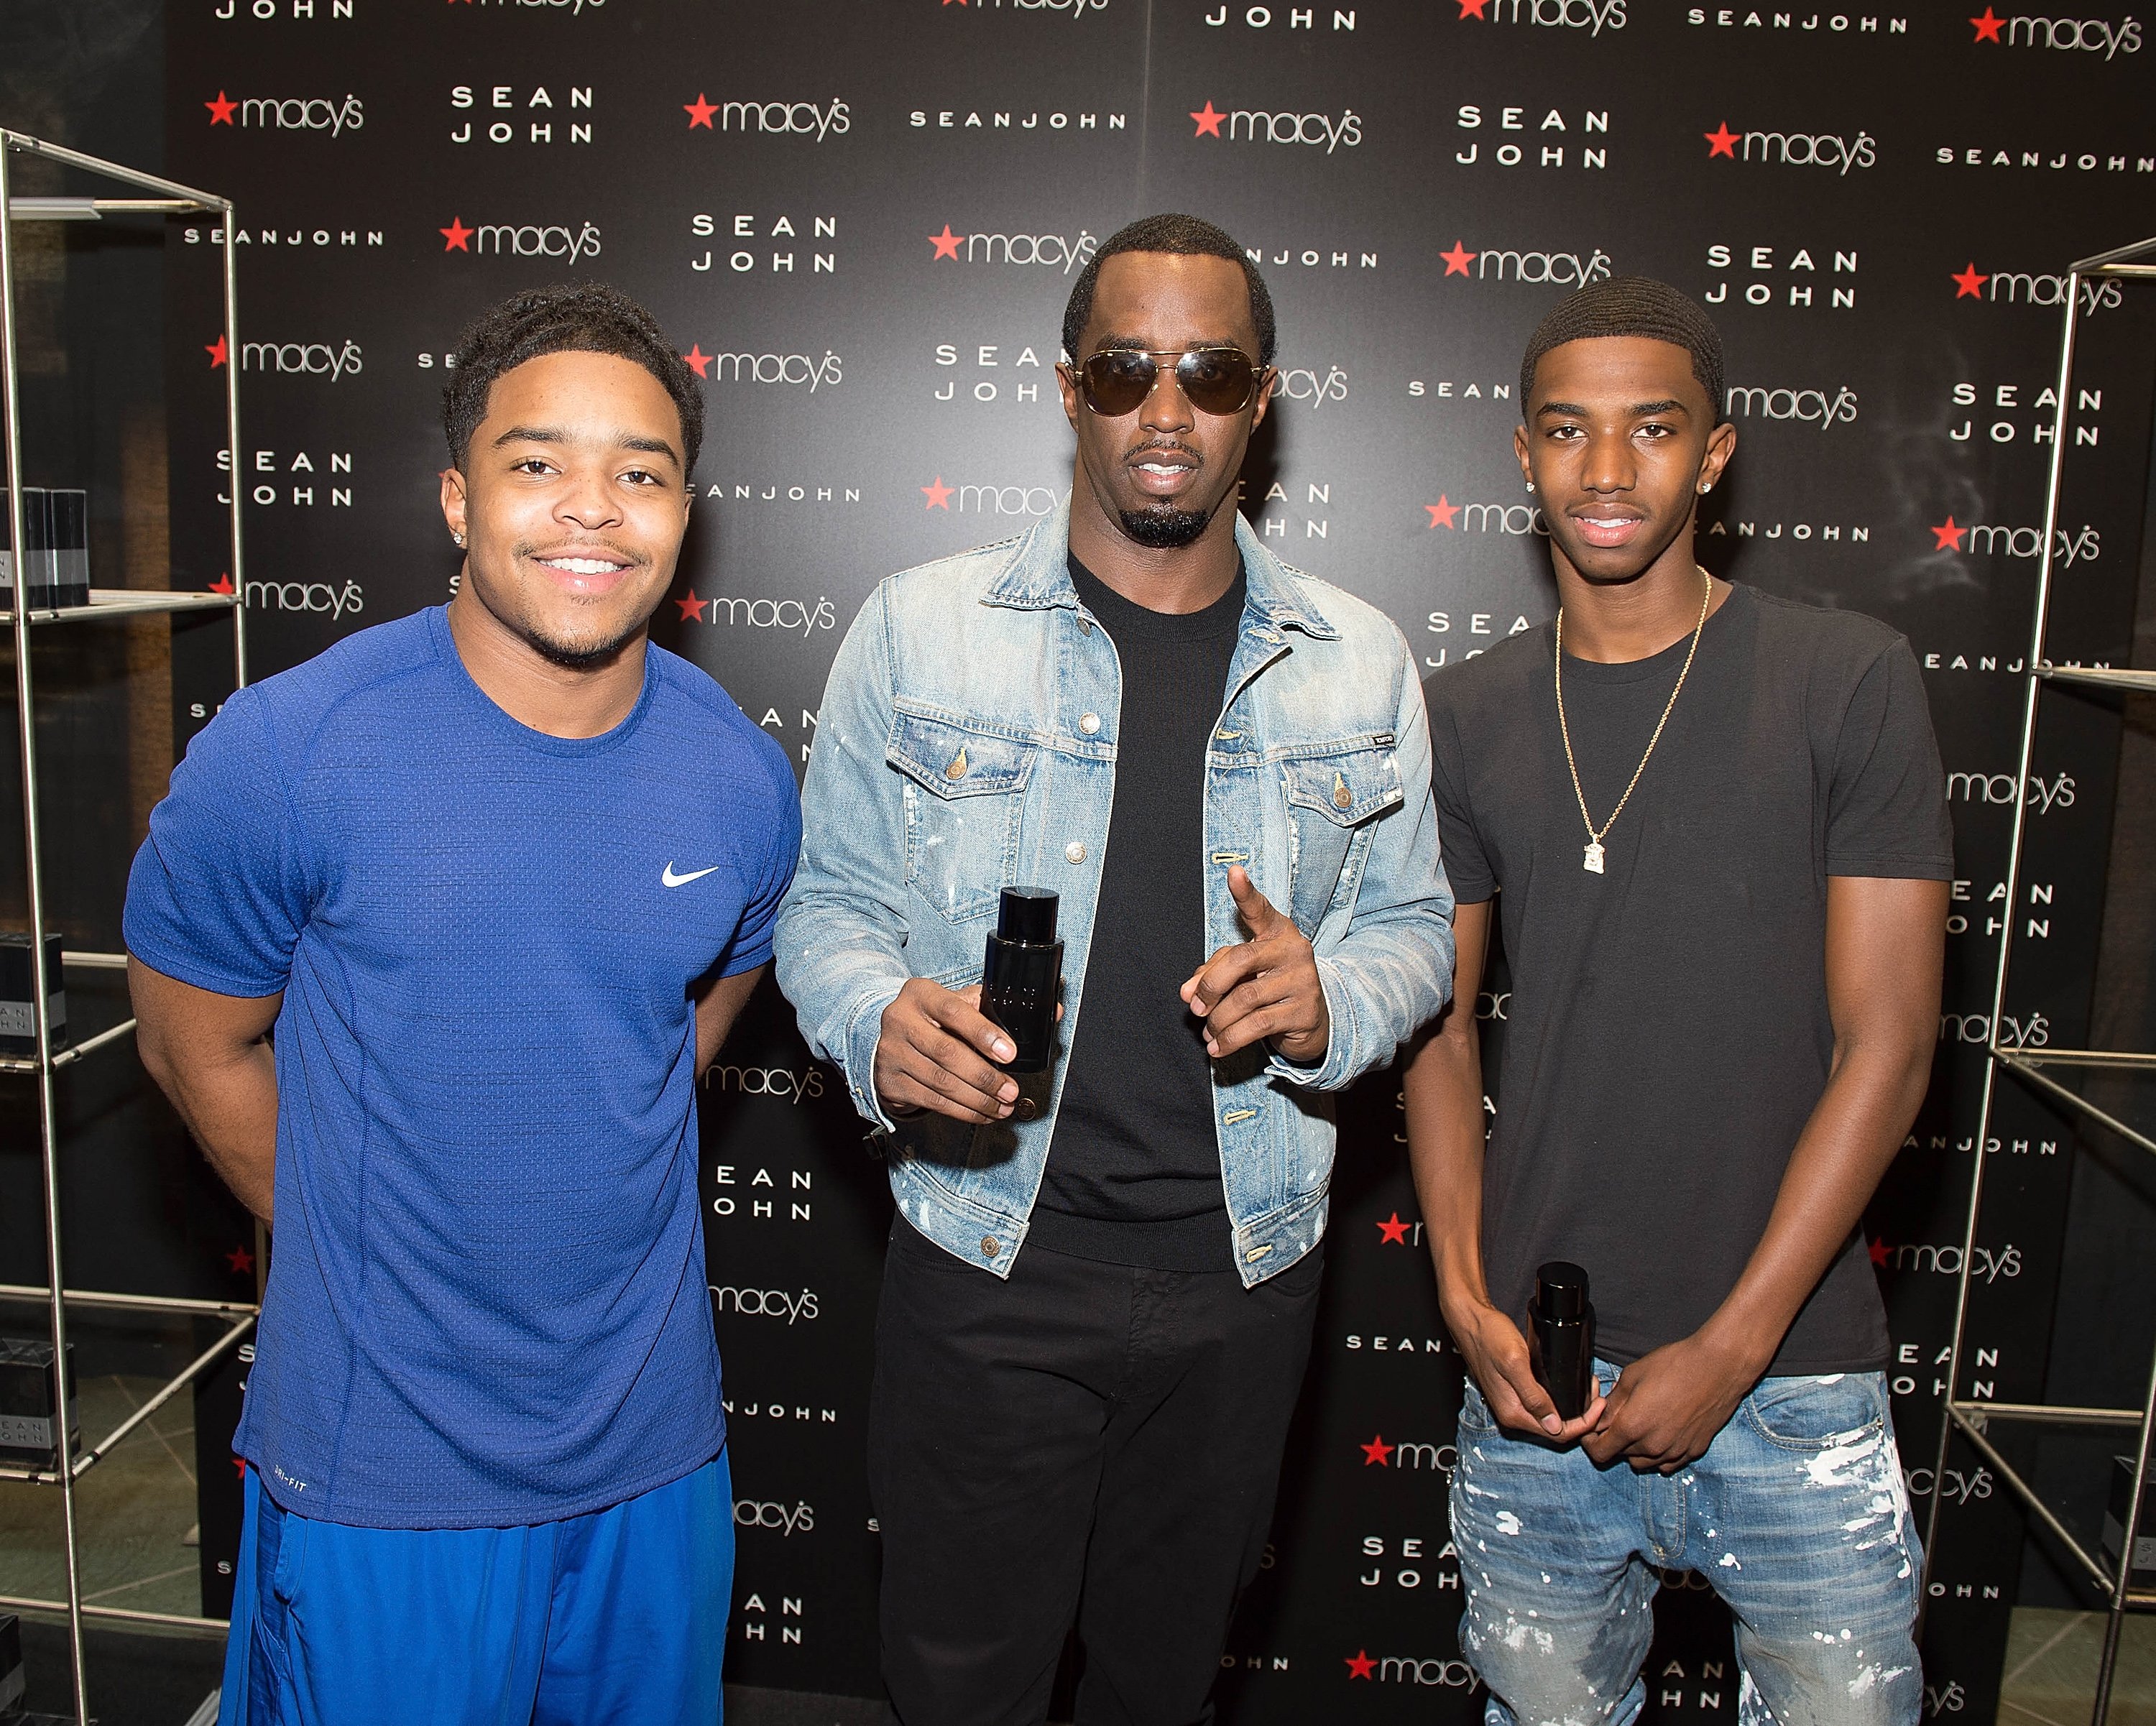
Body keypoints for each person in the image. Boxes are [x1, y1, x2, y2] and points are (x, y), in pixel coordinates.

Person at [775, 213, 1455, 1725]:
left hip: (1244, 1280)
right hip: (986, 1262)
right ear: (1065, 385)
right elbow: (825, 908)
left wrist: (1335, 1000)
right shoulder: (921, 629)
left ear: (1261, 397)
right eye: (1124, 368)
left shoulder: (1359, 660)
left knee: (1162, 1691)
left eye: (1209, 372)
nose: (1166, 410)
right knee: (959, 1688)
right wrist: (874, 1015)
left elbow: (1418, 933)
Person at [124, 282, 798, 1726]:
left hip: (655, 1462)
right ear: (456, 497)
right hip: (385, 1468)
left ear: (685, 513)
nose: (590, 509)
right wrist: (362, 1244)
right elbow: (196, 1046)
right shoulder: (292, 751)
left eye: (641, 472)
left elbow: (714, 990)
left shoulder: (740, 776)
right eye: (536, 462)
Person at [1404, 276, 1952, 1726]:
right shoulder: (1462, 712)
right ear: (1522, 454)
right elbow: (1438, 1029)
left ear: (1715, 453)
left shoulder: (1848, 680)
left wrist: (1733, 1341)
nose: (1605, 469)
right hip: (1538, 1390)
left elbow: (1888, 1050)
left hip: (1793, 1379)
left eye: (1652, 429)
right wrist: (1464, 1296)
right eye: (1569, 432)